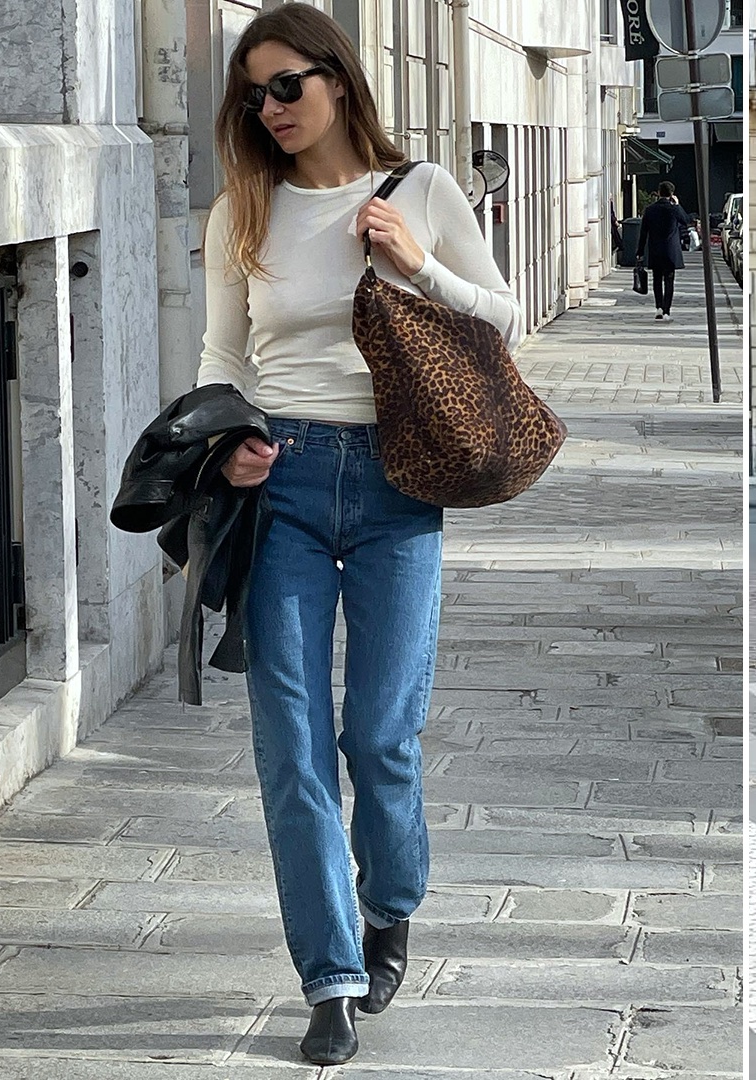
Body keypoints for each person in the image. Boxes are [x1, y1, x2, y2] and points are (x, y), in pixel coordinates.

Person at [195, 2, 523, 1066]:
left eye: (289, 84)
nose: (272, 109)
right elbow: (223, 361)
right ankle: (330, 976)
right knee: (290, 746)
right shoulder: (242, 209)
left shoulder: (420, 188)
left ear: (338, 79)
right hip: (281, 482)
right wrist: (232, 445)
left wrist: (416, 261)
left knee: (379, 732)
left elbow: (500, 319)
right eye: (255, 95)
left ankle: (392, 900)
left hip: (396, 482)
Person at [635, 181, 688, 320]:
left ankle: (658, 307)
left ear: (658, 193)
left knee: (657, 280)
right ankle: (666, 311)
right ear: (672, 194)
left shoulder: (650, 210)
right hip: (671, 252)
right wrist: (676, 204)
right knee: (669, 281)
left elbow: (643, 233)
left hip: (655, 250)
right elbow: (685, 220)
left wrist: (640, 252)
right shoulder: (673, 209)